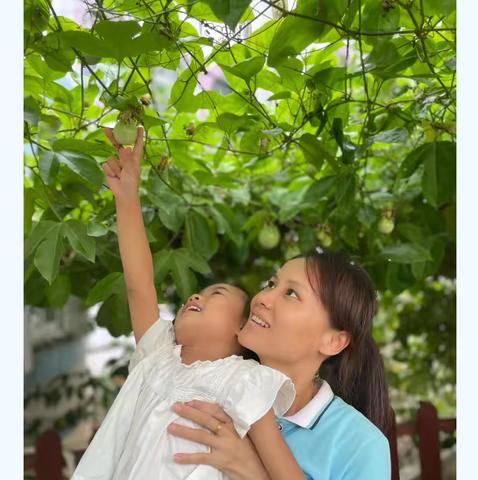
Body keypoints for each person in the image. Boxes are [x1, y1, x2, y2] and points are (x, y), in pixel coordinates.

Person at [71, 127, 306, 480]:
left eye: (217, 295)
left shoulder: (243, 380)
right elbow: (139, 284)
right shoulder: (158, 357)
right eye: (199, 292)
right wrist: (127, 197)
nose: (196, 296)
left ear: (241, 329)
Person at [167, 250, 393, 479]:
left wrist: (252, 470)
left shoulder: (361, 445)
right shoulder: (212, 383)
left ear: (333, 341)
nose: (262, 298)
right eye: (271, 284)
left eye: (291, 293)